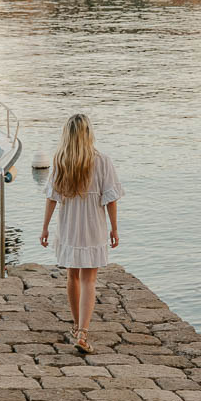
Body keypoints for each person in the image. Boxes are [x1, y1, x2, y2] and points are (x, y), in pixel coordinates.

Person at [40, 114, 123, 354]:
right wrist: (114, 228)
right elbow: (110, 199)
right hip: (92, 226)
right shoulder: (102, 161)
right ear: (88, 134)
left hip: (68, 226)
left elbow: (51, 197)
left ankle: (77, 326)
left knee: (72, 276)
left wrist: (45, 227)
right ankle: (83, 333)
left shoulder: (61, 161)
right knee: (89, 280)